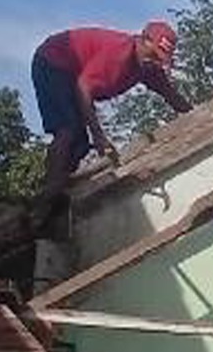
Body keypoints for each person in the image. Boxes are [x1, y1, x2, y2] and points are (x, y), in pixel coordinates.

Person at [29, 21, 192, 220]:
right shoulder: (119, 53)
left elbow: (171, 95)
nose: (155, 61)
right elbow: (83, 89)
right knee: (68, 130)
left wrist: (195, 115)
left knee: (80, 145)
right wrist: (99, 136)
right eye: (154, 54)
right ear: (143, 41)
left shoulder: (147, 68)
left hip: (72, 74)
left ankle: (58, 192)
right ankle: (46, 199)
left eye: (161, 58)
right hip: (54, 62)